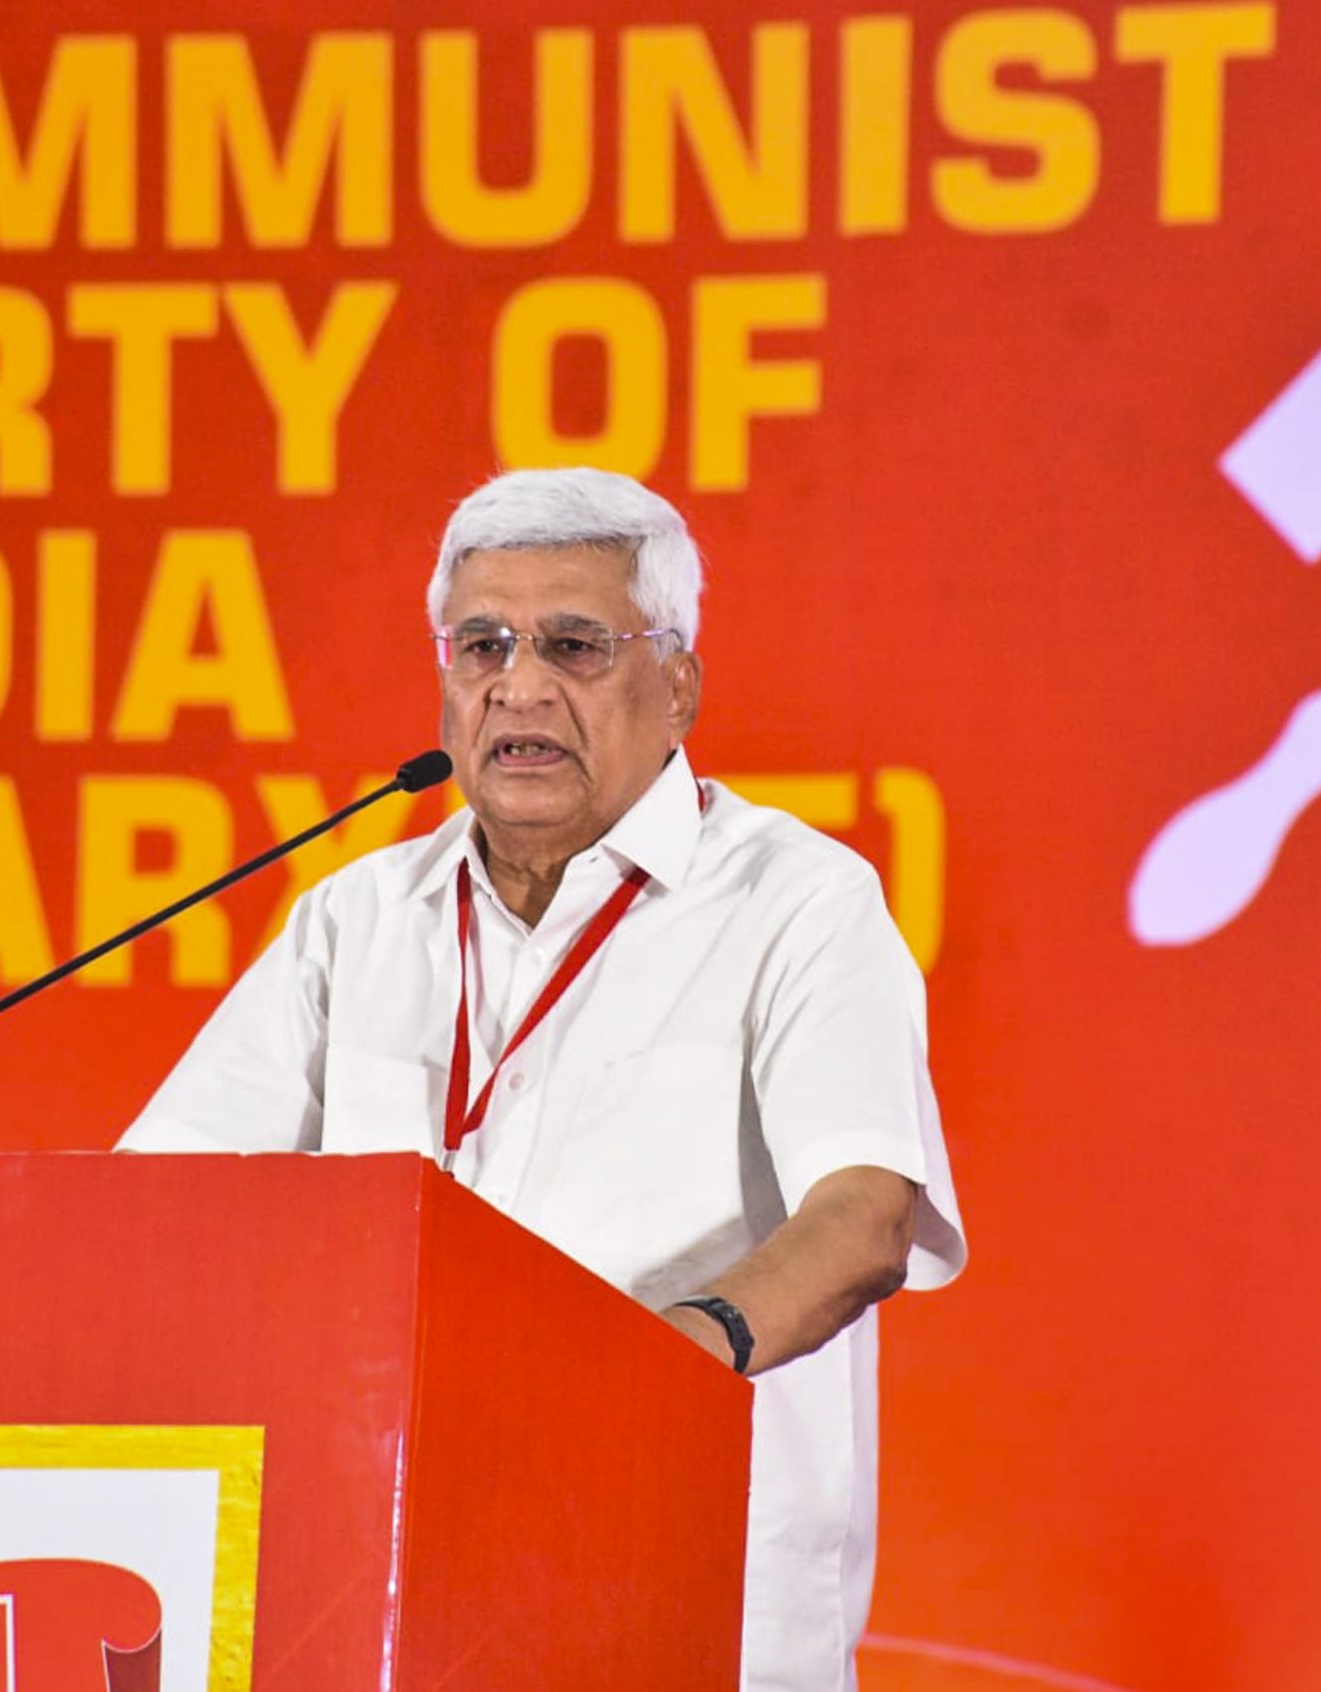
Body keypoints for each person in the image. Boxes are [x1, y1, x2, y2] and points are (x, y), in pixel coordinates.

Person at [121, 467, 966, 1691]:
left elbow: (866, 1216)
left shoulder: (797, 902)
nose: (520, 684)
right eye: (483, 645)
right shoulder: (353, 922)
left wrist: (653, 1368)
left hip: (676, 1604)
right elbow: (166, 1211)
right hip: (381, 1604)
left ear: (676, 686)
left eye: (574, 644)